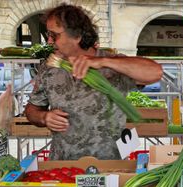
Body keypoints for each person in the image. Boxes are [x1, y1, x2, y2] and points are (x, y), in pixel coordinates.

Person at [25, 4, 162, 160]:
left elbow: (155, 72)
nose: (49, 41)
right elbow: (32, 109)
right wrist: (44, 117)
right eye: (48, 34)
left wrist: (103, 61)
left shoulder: (114, 63)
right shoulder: (49, 68)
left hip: (111, 163)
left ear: (76, 35)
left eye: (54, 35)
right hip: (63, 164)